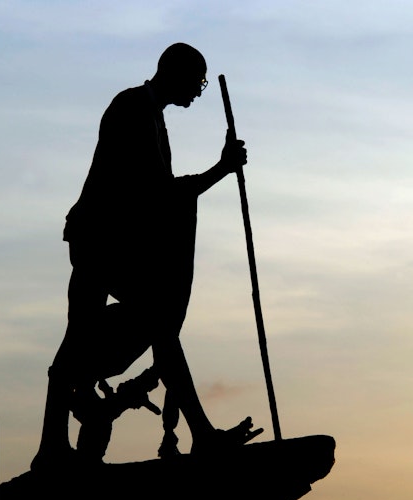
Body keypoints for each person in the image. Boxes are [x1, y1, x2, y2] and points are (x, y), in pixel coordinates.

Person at [32, 42, 257, 469]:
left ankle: (198, 434)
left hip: (112, 242)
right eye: (197, 81)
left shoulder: (152, 114)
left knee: (143, 327)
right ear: (176, 73)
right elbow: (157, 192)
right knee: (102, 334)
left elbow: (159, 195)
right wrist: (221, 169)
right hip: (100, 242)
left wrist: (218, 170)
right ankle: (53, 448)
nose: (198, 91)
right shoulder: (132, 108)